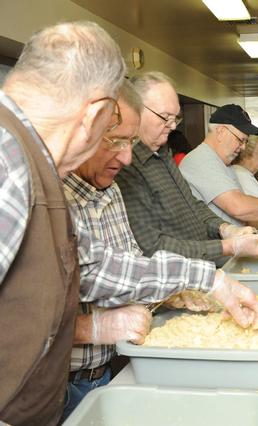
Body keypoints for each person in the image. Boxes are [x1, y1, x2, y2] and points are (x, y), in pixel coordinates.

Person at [61, 81, 258, 419]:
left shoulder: (115, 185)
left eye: (129, 143)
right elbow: (116, 262)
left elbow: (126, 263)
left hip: (103, 367)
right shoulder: (54, 197)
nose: (126, 156)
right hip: (62, 379)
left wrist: (177, 290)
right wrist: (92, 327)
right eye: (116, 142)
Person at [0, 21, 125, 425]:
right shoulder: (9, 159)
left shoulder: (27, 156)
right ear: (94, 113)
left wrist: (209, 280)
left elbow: (91, 263)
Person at [115, 73, 258, 262]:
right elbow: (152, 246)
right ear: (135, 110)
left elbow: (192, 205)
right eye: (164, 117)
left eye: (175, 118)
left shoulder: (163, 153)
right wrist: (226, 246)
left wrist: (224, 229)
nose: (171, 126)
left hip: (203, 263)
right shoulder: (125, 166)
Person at [179, 104, 258, 233]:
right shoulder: (202, 160)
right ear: (221, 132)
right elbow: (238, 207)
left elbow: (246, 219)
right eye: (240, 140)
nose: (243, 147)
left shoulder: (223, 164)